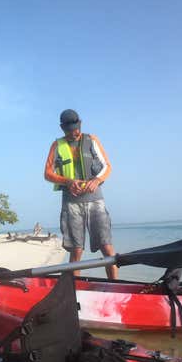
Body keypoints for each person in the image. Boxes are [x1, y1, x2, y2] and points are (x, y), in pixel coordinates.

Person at [44, 109, 118, 279]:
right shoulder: (57, 145)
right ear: (62, 128)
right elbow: (47, 174)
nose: (73, 134)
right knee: (76, 250)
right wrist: (68, 182)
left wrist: (97, 181)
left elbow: (107, 166)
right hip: (71, 203)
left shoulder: (92, 140)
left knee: (107, 247)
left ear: (80, 125)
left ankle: (114, 284)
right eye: (69, 131)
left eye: (76, 129)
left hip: (95, 201)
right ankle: (75, 289)